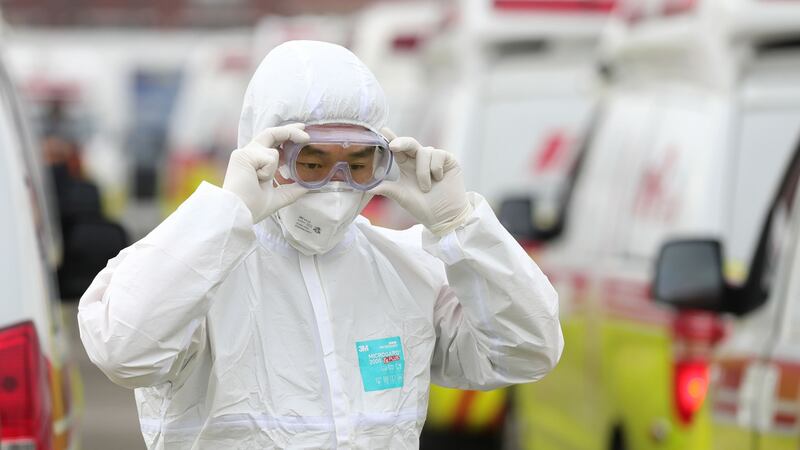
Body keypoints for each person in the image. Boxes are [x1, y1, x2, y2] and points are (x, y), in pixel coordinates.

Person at [78, 40, 563, 450]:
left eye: (356, 163)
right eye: (313, 162)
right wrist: (228, 213)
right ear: (267, 152)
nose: (337, 184)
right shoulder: (196, 266)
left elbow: (527, 350)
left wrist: (461, 226)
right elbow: (124, 349)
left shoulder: (409, 267)